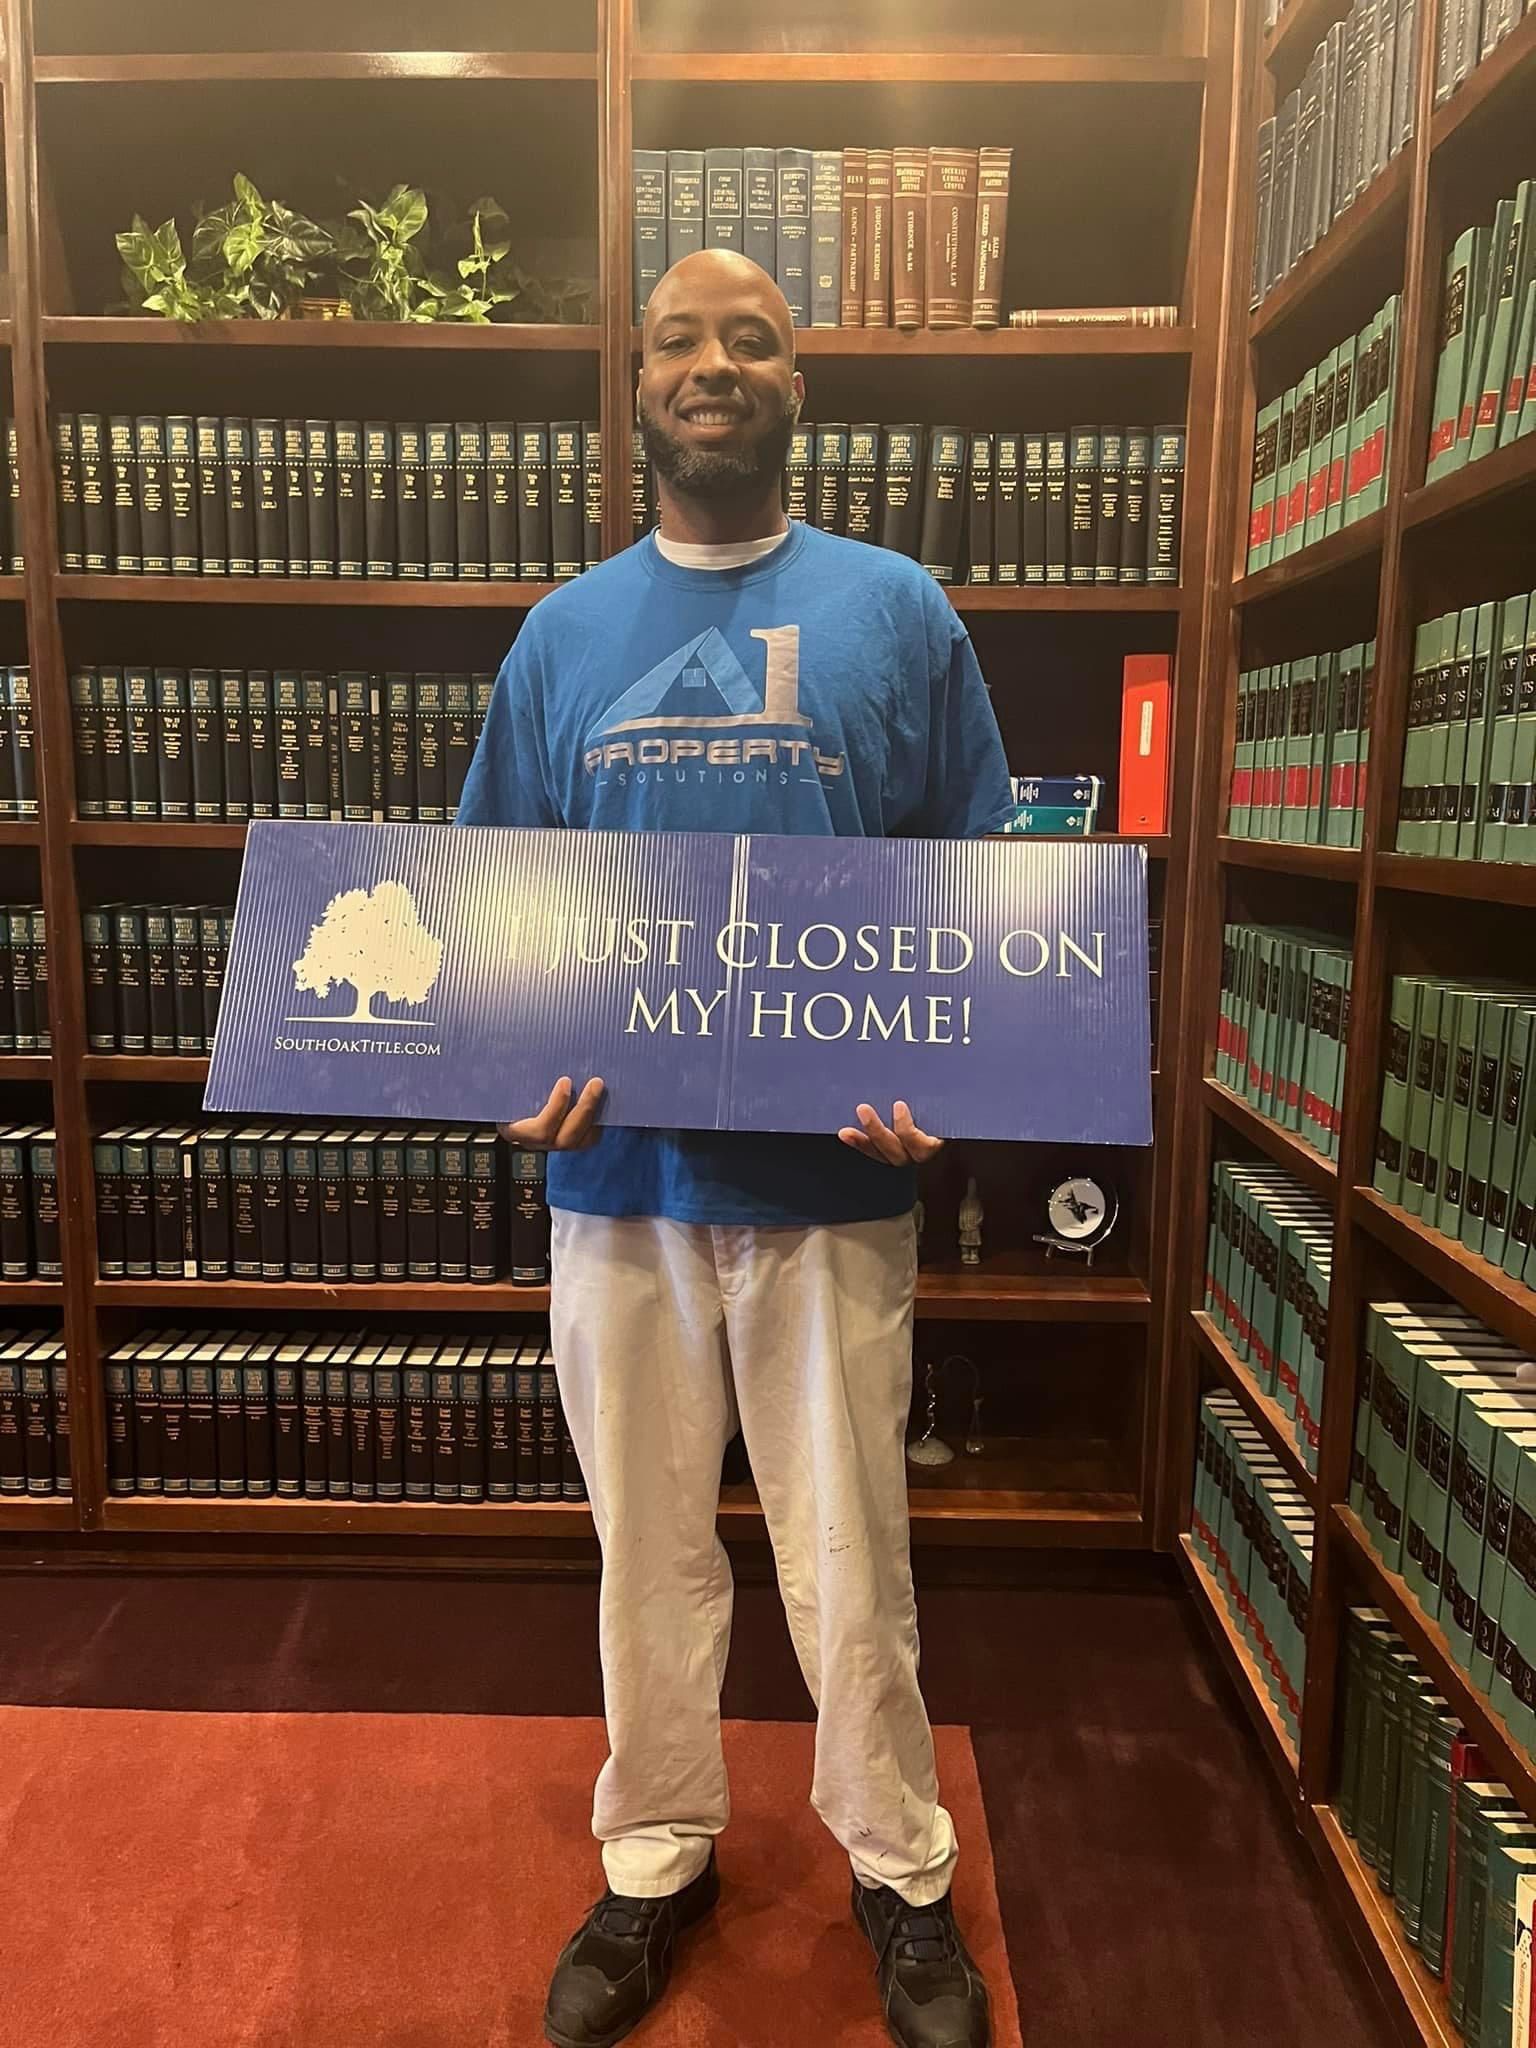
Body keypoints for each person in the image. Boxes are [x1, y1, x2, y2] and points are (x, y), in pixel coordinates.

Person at [455, 246, 1011, 2048]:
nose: (713, 364)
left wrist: (956, 1073)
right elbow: (497, 917)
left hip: (836, 1184)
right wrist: (510, 1074)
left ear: (798, 388)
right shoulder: (558, 636)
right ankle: (656, 1855)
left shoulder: (899, 611)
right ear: (639, 390)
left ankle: (899, 1866)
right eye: (680, 340)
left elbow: (976, 892)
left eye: (750, 340)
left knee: (853, 1554)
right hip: (620, 1189)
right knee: (648, 1550)